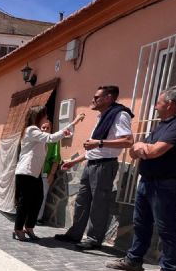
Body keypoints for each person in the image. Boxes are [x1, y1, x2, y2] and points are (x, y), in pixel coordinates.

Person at [107, 85, 176, 271]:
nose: (155, 106)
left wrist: (144, 149)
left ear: (170, 104)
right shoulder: (162, 124)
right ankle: (134, 260)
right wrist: (142, 149)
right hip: (148, 180)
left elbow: (154, 151)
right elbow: (135, 151)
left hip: (168, 183)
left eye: (158, 102)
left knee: (167, 228)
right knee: (141, 223)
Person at [55, 85, 134, 249]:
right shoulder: (102, 117)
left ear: (109, 98)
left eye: (97, 97)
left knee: (99, 204)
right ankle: (75, 234)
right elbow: (94, 148)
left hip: (104, 166)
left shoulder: (120, 115)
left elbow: (128, 141)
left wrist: (100, 142)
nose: (93, 100)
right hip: (91, 164)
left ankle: (93, 239)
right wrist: (75, 161)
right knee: (81, 202)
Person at [13, 106, 84, 242]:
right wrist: (74, 122)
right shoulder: (31, 130)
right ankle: (18, 229)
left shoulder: (36, 132)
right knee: (25, 202)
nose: (46, 118)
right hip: (26, 172)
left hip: (34, 173)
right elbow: (51, 138)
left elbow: (50, 140)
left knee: (37, 200)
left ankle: (29, 227)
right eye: (44, 116)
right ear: (38, 117)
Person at [37, 121, 61, 223]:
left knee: (42, 196)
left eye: (47, 128)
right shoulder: (36, 139)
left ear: (51, 129)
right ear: (40, 128)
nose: (45, 130)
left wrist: (51, 174)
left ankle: (37, 218)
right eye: (43, 128)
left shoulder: (54, 141)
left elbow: (56, 159)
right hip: (33, 172)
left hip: (45, 173)